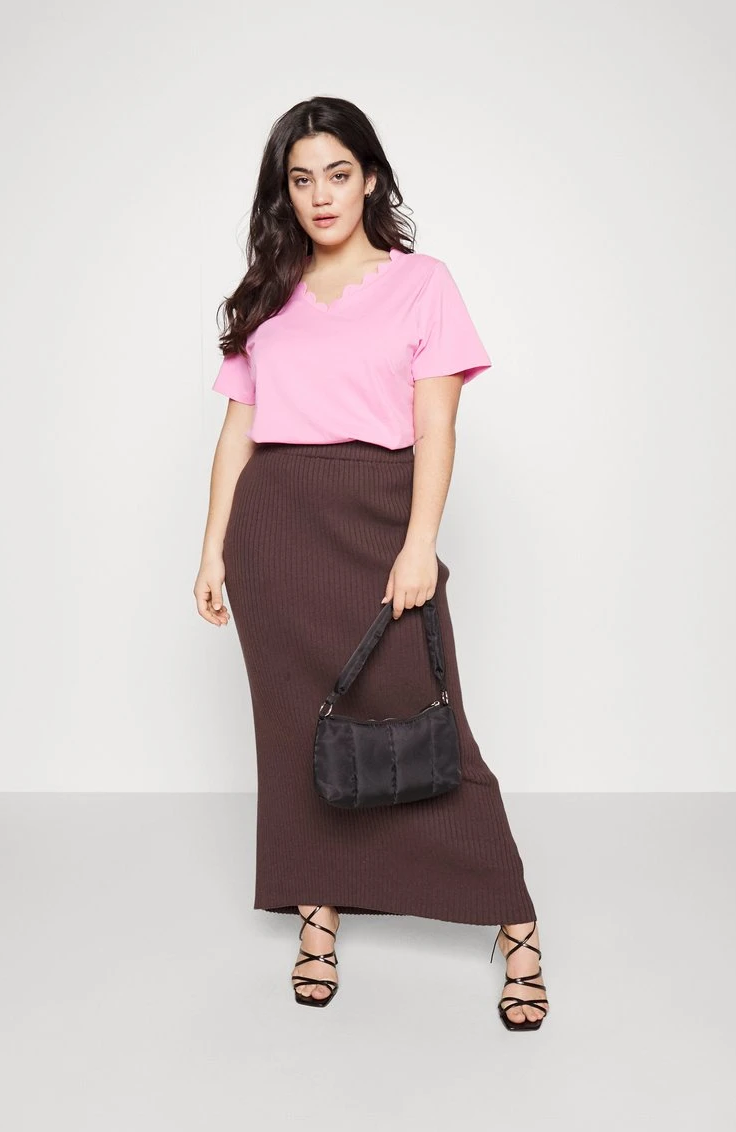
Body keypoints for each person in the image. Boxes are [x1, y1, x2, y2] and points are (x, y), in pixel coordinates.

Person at [193, 96, 549, 1031]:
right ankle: (317, 917)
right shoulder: (269, 291)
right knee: (295, 734)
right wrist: (212, 548)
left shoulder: (422, 282)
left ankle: (515, 926)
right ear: (285, 191)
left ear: (371, 178)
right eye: (301, 179)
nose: (321, 195)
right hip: (275, 533)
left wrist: (420, 541)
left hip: (380, 518)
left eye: (338, 174)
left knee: (430, 721)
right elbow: (237, 432)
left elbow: (437, 425)